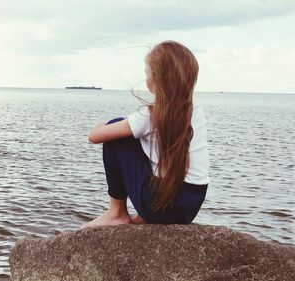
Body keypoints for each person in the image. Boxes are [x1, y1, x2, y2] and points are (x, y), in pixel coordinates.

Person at [81, 40, 210, 228]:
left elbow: (94, 136)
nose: (145, 78)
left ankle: (116, 212)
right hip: (190, 206)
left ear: (156, 80)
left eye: (147, 73)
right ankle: (147, 216)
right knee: (136, 137)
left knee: (117, 132)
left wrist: (105, 123)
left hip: (159, 206)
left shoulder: (149, 115)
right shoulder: (195, 110)